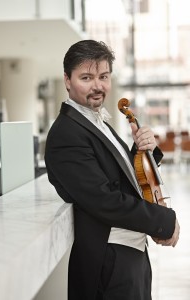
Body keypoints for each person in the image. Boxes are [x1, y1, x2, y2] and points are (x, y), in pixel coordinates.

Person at [45, 40, 180, 300]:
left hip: (130, 255)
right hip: (109, 263)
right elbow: (104, 200)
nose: (98, 86)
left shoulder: (97, 122)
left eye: (103, 76)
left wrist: (144, 151)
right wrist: (163, 220)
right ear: (67, 80)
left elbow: (118, 175)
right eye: (86, 77)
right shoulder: (66, 133)